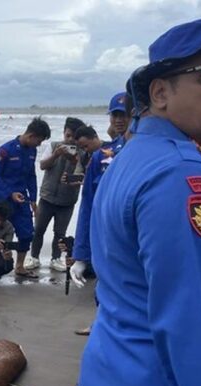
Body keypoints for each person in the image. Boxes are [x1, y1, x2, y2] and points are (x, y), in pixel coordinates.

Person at [77, 19, 201, 386]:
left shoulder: (132, 158)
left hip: (116, 379)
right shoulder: (180, 172)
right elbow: (190, 320)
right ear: (160, 93)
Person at [69, 92, 130, 290]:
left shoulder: (154, 153)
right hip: (108, 239)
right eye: (115, 115)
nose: (119, 120)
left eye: (124, 114)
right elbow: (88, 206)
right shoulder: (101, 157)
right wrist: (81, 255)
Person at [0, 117, 51, 279]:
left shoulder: (32, 151)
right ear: (31, 135)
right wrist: (10, 193)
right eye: (39, 141)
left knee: (26, 233)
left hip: (22, 200)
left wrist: (33, 199)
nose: (39, 145)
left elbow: (31, 176)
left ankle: (19, 266)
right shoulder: (5, 150)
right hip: (4, 200)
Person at [25, 117, 86, 272]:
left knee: (60, 232)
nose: (70, 140)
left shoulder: (83, 152)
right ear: (64, 133)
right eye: (68, 135)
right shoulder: (53, 146)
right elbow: (42, 165)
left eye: (74, 137)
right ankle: (34, 257)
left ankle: (56, 258)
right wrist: (56, 155)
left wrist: (74, 161)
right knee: (38, 229)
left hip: (67, 201)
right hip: (47, 197)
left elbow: (81, 174)